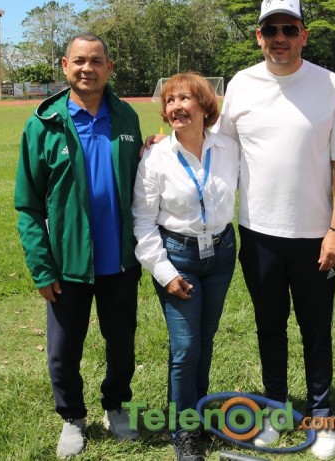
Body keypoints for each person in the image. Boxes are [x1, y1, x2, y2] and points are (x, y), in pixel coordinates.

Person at [215, 0, 335, 461]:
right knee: (270, 328)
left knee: (316, 331)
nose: (280, 37)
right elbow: (220, 150)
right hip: (259, 234)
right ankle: (276, 412)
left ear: (304, 35)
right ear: (259, 37)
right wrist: (166, 145)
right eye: (271, 29)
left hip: (316, 235)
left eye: (289, 29)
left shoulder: (330, 85)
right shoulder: (241, 84)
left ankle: (321, 416)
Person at [14, 33, 143, 458]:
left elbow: (141, 180)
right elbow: (28, 205)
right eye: (80, 60)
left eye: (97, 61)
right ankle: (72, 417)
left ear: (109, 67)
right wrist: (41, 267)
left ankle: (116, 406)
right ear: (65, 66)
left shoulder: (126, 117)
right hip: (67, 264)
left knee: (121, 343)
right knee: (64, 350)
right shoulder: (43, 124)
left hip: (120, 261)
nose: (88, 68)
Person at [132, 73, 239, 461]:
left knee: (205, 340)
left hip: (221, 253)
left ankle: (198, 414)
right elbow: (143, 221)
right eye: (170, 100)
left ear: (205, 106)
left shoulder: (228, 148)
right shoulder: (156, 157)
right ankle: (183, 431)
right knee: (186, 346)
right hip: (179, 256)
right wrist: (166, 273)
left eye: (185, 98)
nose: (176, 106)